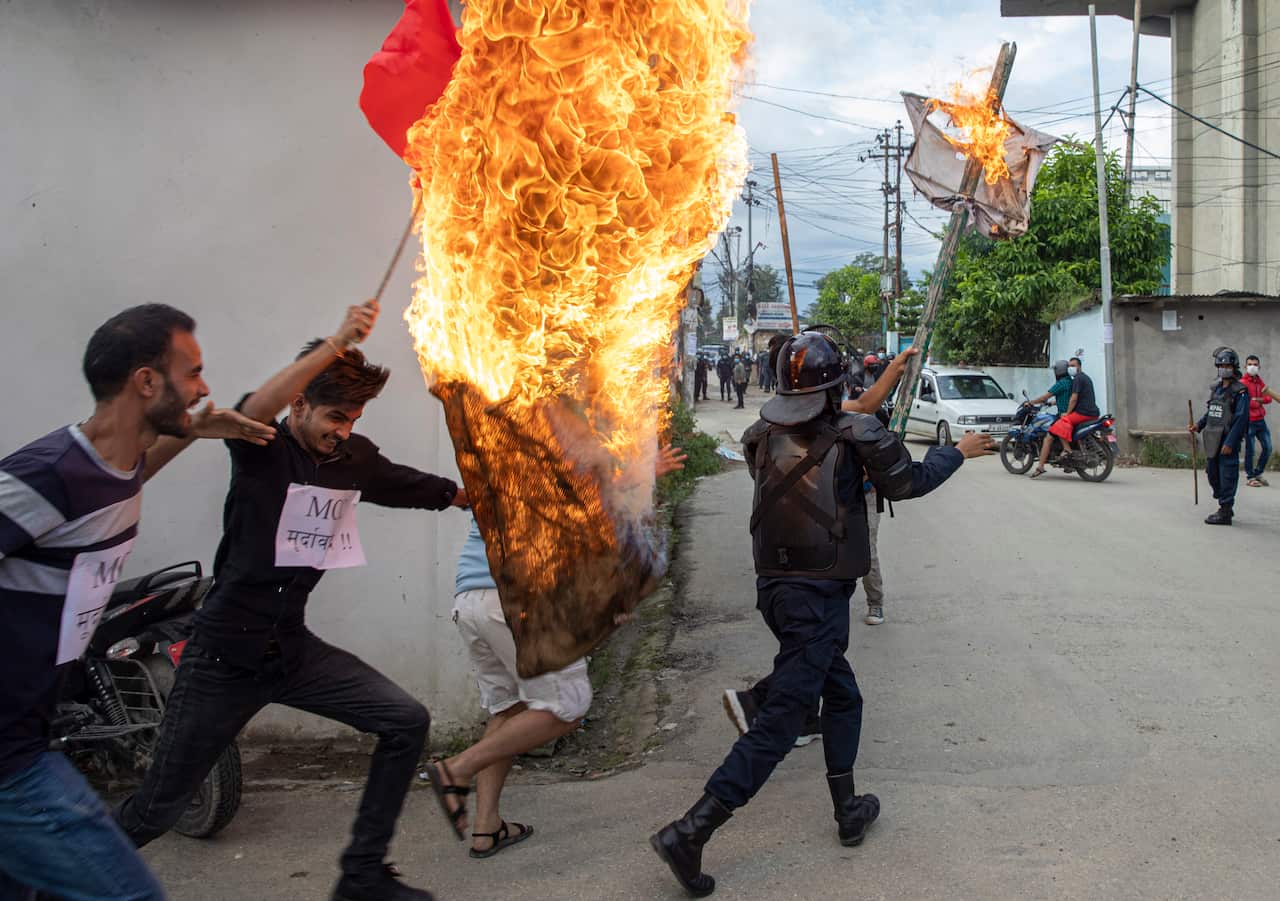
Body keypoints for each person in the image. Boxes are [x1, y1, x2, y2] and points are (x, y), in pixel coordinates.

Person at [115, 300, 469, 901]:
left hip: (292, 650)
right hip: (222, 656)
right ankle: (50, 881)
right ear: (300, 403)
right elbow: (255, 407)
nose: (344, 430)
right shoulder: (261, 445)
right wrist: (335, 342)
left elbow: (410, 486)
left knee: (405, 722)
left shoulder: (352, 457)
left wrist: (472, 497)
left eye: (354, 419)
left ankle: (362, 875)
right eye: (335, 415)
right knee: (157, 808)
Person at [653, 331, 994, 897]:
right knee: (782, 721)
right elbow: (907, 482)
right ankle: (692, 831)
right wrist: (955, 452)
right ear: (838, 384)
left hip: (777, 593)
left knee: (842, 698)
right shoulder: (856, 431)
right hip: (818, 600)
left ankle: (848, 809)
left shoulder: (759, 435)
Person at [0, 305, 274, 901]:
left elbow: (129, 474)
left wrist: (199, 429)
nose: (204, 388)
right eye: (193, 372)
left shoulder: (109, 469)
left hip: (29, 732)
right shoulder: (44, 476)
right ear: (147, 381)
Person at [429, 445, 687, 858]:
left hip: (472, 601)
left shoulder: (501, 456)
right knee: (568, 705)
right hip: (517, 603)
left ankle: (486, 826)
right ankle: (455, 769)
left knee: (509, 711)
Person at [1190, 347, 1250, 525]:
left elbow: (1241, 419)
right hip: (1212, 439)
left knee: (1227, 475)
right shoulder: (1216, 388)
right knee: (1212, 473)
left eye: (1227, 365)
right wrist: (1198, 426)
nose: (1224, 368)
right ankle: (1223, 501)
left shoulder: (1240, 391)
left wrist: (1231, 442)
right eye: (1221, 365)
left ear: (1234, 367)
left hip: (1227, 440)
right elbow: (1212, 411)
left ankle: (1225, 510)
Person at [1030, 357, 1098, 479]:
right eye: (1069, 366)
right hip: (1088, 412)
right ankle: (1067, 461)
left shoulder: (1064, 383)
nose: (1070, 368)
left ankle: (1041, 466)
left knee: (1049, 436)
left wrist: (1031, 402)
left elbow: (1069, 398)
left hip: (1074, 413)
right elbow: (1067, 398)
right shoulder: (1073, 381)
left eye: (1072, 366)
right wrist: (1053, 403)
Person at [1242, 355, 1275, 487]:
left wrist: (1257, 400)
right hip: (1249, 421)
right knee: (1250, 450)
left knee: (1268, 448)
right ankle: (1250, 477)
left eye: (1255, 364)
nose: (1252, 367)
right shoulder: (1242, 383)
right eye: (1250, 364)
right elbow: (1247, 403)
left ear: (1259, 367)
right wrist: (1258, 400)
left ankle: (1258, 473)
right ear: (1245, 366)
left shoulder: (1259, 382)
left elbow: (1269, 398)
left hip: (1261, 420)